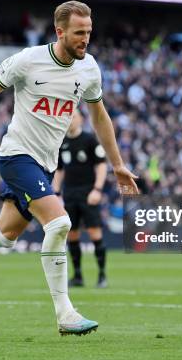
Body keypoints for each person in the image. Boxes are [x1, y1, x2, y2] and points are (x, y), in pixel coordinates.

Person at [0, 0, 139, 336]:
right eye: (79, 33)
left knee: (4, 236)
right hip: (18, 157)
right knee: (61, 223)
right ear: (59, 32)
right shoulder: (27, 61)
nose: (85, 39)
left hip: (45, 164)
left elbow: (99, 115)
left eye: (89, 33)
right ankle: (66, 314)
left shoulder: (89, 68)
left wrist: (118, 164)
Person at [53, 109, 108, 288]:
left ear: (81, 119)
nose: (70, 121)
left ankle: (102, 275)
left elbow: (101, 166)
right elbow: (59, 170)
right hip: (69, 194)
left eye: (73, 117)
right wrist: (56, 193)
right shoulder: (62, 143)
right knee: (72, 235)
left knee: (94, 233)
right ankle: (77, 276)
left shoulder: (89, 140)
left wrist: (97, 189)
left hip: (88, 193)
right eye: (67, 117)